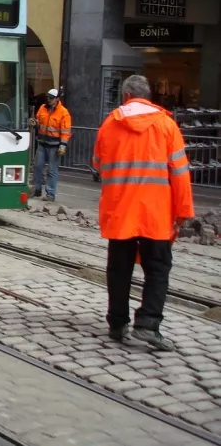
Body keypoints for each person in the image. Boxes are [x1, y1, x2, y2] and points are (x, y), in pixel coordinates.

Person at [92, 75, 193, 351]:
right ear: (149, 97)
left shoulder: (110, 124)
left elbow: (98, 163)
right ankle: (147, 324)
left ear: (125, 96)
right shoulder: (166, 125)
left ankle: (117, 323)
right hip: (156, 214)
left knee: (118, 269)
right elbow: (181, 175)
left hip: (121, 211)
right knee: (158, 270)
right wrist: (183, 213)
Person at [29, 88, 72, 202]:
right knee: (38, 167)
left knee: (52, 171)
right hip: (42, 143)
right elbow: (39, 121)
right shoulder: (43, 108)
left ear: (57, 99)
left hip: (55, 146)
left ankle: (50, 194)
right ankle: (36, 190)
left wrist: (63, 145)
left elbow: (66, 131)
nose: (49, 100)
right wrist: (35, 123)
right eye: (48, 97)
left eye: (51, 98)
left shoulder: (64, 112)